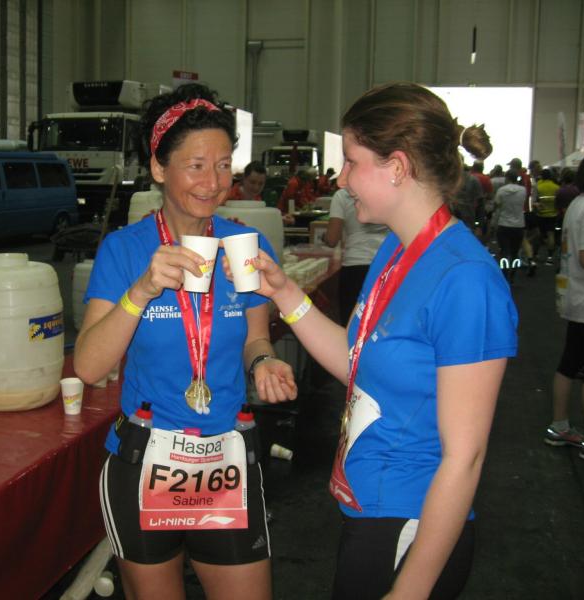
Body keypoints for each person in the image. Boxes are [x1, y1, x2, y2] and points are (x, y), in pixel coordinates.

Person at [226, 83, 518, 599]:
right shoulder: (397, 252)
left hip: (411, 522)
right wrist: (284, 291)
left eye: (352, 161)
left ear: (397, 167)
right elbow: (357, 361)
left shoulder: (466, 281)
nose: (341, 179)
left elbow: (465, 458)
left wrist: (410, 590)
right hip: (370, 508)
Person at [74, 83, 296, 600]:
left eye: (223, 165)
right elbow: (88, 366)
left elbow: (255, 339)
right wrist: (142, 290)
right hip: (146, 459)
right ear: (159, 167)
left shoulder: (245, 246)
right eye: (196, 165)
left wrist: (264, 362)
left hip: (226, 459)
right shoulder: (125, 251)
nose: (213, 182)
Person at [544, 157, 584, 459]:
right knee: (575, 365)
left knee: (569, 363)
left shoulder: (576, 205)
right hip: (583, 298)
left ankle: (559, 425)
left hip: (575, 295)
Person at [322, 187, 388, 323]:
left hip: (355, 266)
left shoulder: (342, 195)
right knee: (382, 322)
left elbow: (332, 239)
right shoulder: (387, 190)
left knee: (352, 323)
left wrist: (324, 237)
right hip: (387, 264)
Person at [493, 169, 528, 283]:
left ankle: (504, 272)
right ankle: (513, 273)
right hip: (519, 224)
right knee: (515, 252)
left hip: (504, 223)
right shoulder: (523, 190)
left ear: (507, 178)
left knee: (504, 251)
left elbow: (496, 205)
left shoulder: (501, 190)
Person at [536, 167, 560, 265]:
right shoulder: (556, 187)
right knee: (551, 234)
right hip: (553, 214)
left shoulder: (538, 186)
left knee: (539, 234)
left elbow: (535, 200)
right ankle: (549, 257)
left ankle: (536, 254)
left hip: (541, 214)